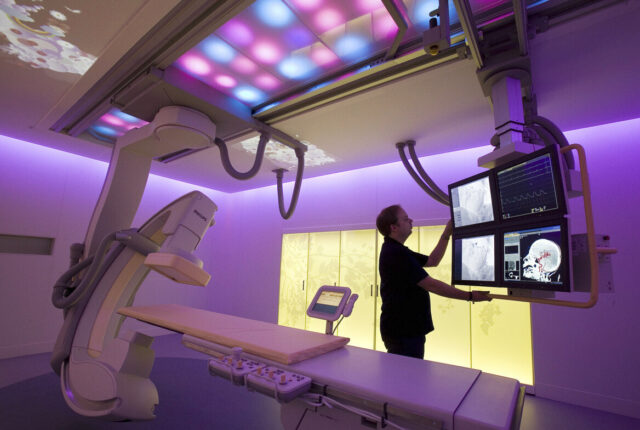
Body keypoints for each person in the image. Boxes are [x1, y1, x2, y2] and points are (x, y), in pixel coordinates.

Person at [376, 205, 492, 359]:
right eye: (405, 219)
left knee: (406, 370)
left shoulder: (397, 250)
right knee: (407, 372)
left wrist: (447, 233)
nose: (411, 220)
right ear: (394, 227)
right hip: (403, 331)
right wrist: (470, 296)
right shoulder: (395, 253)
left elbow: (432, 260)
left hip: (405, 329)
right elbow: (432, 285)